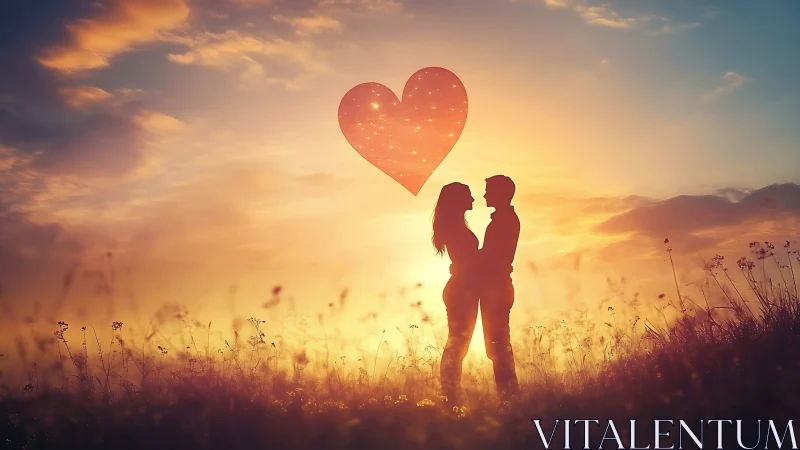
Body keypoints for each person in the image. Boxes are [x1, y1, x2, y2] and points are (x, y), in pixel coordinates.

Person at [432, 182, 480, 403]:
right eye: (468, 195)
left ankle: (451, 394)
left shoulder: (456, 225)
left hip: (461, 288)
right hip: (462, 290)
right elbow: (468, 260)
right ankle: (450, 395)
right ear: (457, 200)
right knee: (456, 345)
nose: (473, 199)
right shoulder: (455, 227)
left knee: (457, 344)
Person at [478, 174, 520, 398]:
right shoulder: (502, 219)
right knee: (497, 346)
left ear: (502, 193)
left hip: (497, 289)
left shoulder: (504, 221)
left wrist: (467, 260)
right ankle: (508, 395)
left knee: (498, 346)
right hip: (497, 287)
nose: (484, 195)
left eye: (489, 190)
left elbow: (492, 257)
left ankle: (509, 397)